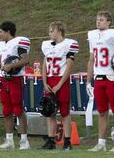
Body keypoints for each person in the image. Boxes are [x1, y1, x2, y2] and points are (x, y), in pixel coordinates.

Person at [86, 12, 114, 152]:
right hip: (98, 77)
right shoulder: (92, 34)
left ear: (109, 22)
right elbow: (91, 59)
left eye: (102, 20)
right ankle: (101, 143)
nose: (98, 22)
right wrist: (88, 80)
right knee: (102, 111)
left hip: (112, 77)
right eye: (97, 19)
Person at [39, 20, 79, 150]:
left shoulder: (69, 44)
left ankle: (67, 142)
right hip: (49, 81)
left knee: (64, 112)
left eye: (52, 30)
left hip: (61, 80)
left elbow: (69, 67)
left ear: (59, 31)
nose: (49, 33)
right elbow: (44, 65)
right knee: (49, 110)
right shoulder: (47, 45)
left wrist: (60, 84)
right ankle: (51, 141)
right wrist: (44, 82)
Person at [0, 22, 30, 150]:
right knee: (6, 110)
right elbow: (1, 62)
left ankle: (24, 141)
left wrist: (11, 66)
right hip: (4, 80)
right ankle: (9, 141)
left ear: (8, 31)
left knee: (18, 110)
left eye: (0, 32)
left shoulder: (18, 42)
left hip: (16, 79)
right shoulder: (1, 45)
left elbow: (25, 60)